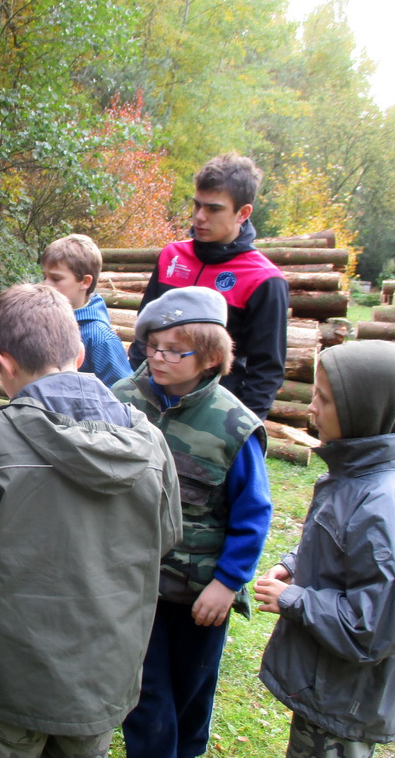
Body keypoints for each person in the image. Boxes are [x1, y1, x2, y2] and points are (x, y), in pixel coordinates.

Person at [0, 283, 181, 758]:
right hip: (101, 677)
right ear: (80, 353)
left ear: (3, 365)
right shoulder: (150, 440)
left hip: (10, 682)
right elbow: (166, 536)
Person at [255, 340, 395, 758]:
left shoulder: (383, 503)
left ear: (362, 410)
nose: (310, 408)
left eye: (323, 398)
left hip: (347, 699)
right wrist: (296, 564)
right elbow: (345, 545)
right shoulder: (358, 475)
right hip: (331, 686)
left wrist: (295, 599)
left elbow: (382, 624)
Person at [113, 286, 273, 758]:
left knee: (190, 698)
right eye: (152, 346)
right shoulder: (121, 401)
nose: (157, 358)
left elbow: (253, 513)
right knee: (145, 698)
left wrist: (227, 583)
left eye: (173, 351)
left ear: (210, 358)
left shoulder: (234, 426)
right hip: (131, 586)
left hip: (199, 597)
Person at [127, 152, 288, 420]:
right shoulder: (172, 256)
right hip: (150, 405)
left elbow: (267, 371)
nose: (200, 217)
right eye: (197, 205)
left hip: (212, 416)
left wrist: (241, 429)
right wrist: (134, 391)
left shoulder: (264, 279)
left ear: (243, 213)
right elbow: (143, 334)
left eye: (214, 209)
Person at [41, 233, 131, 387]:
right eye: (45, 277)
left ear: (85, 282)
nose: (46, 285)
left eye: (56, 279)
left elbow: (122, 392)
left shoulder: (100, 338)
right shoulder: (44, 322)